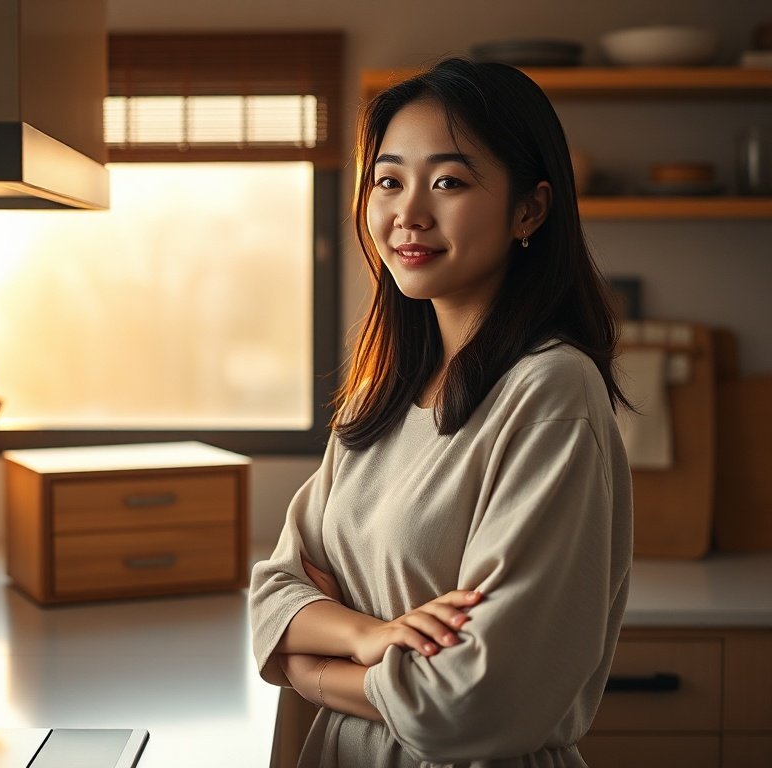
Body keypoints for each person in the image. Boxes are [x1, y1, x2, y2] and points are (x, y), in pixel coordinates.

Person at [248, 56, 634, 768]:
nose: (408, 214)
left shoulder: (549, 394)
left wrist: (315, 668)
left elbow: (473, 702)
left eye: (449, 182)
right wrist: (370, 638)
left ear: (530, 209)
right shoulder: (382, 393)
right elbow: (272, 591)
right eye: (388, 180)